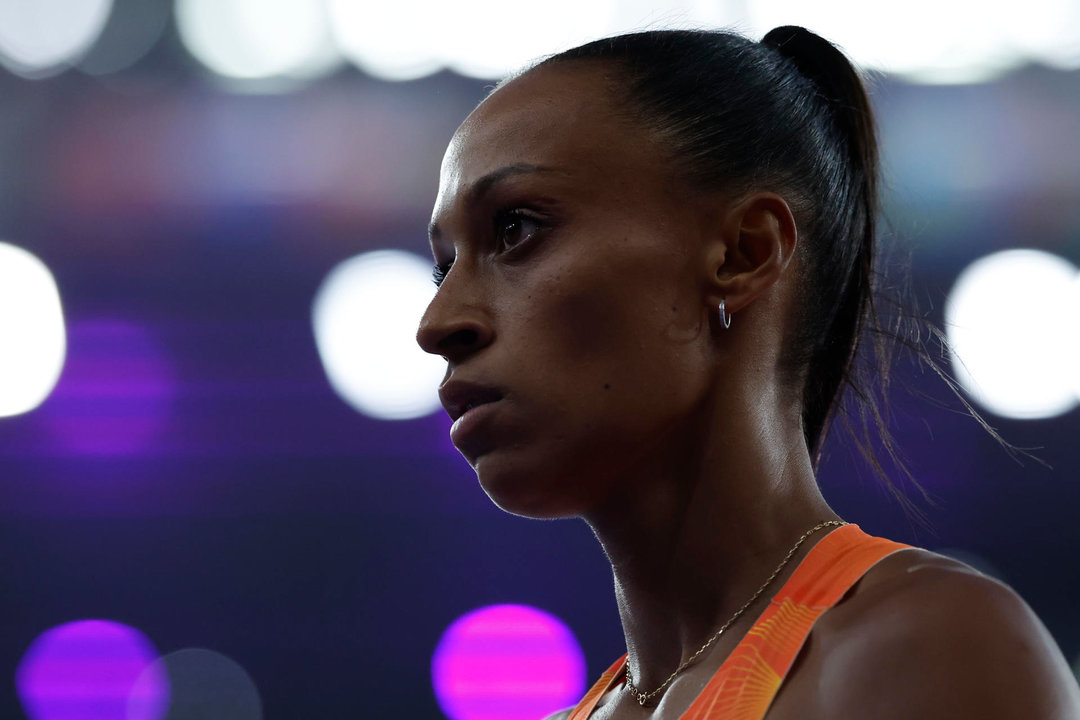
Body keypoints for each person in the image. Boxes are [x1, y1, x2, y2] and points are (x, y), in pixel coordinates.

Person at [415, 25, 1080, 720]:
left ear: (743, 252)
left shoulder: (926, 650)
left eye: (516, 228)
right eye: (445, 265)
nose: (437, 324)